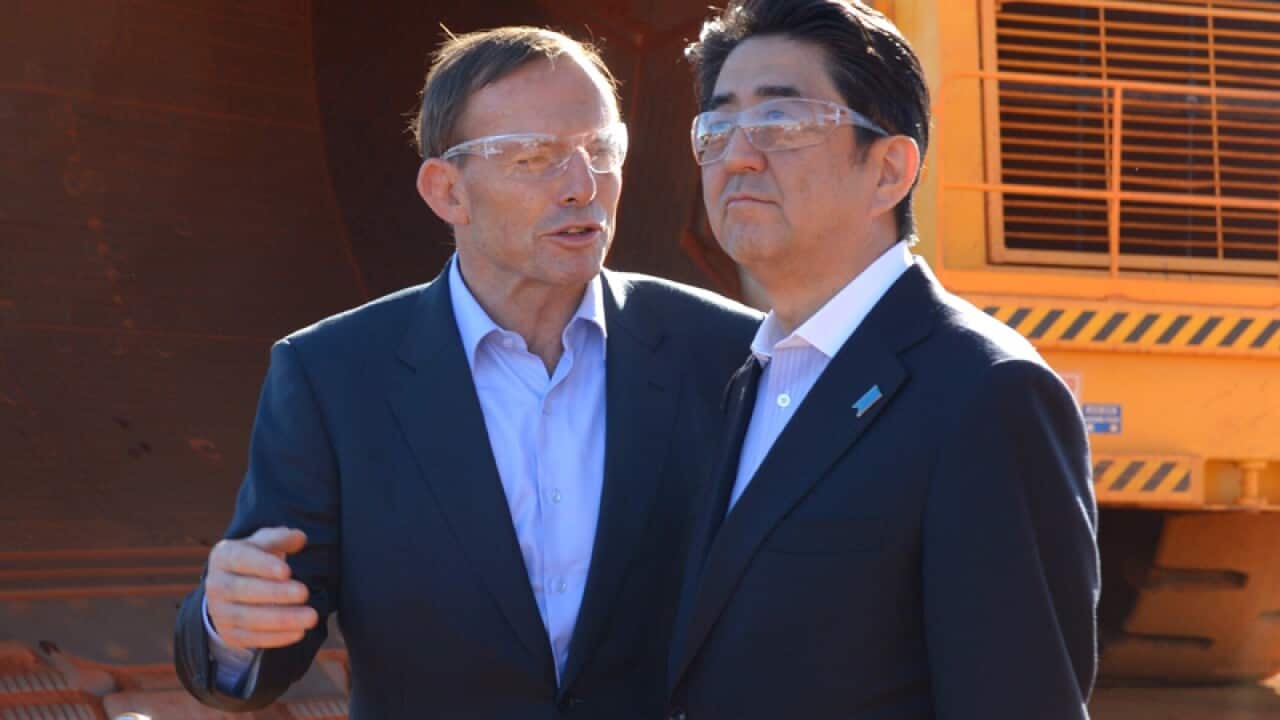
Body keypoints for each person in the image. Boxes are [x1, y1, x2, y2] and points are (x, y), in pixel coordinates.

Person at [172, 26, 758, 719]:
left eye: (601, 150)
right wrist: (230, 625)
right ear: (446, 191)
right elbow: (266, 637)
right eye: (535, 158)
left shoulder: (727, 354)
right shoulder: (332, 377)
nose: (582, 186)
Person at [667, 1, 1100, 718]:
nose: (738, 154)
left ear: (890, 170)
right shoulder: (749, 376)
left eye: (781, 122)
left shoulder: (986, 395)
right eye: (717, 127)